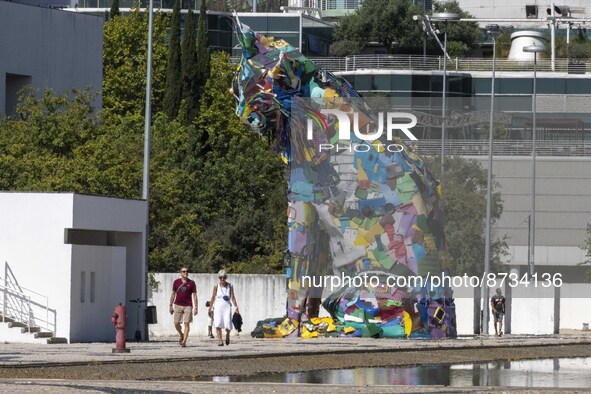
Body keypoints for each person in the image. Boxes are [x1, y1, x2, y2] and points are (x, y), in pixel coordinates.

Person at [209, 270, 239, 346]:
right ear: (219, 277)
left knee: (228, 323)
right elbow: (213, 297)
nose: (222, 279)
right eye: (220, 277)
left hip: (227, 306)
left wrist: (236, 307)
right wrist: (210, 307)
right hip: (218, 306)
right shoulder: (216, 286)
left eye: (224, 277)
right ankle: (220, 340)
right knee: (218, 323)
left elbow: (233, 297)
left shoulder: (230, 285)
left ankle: (228, 335)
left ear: (226, 277)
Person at [169, 266, 198, 347]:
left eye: (187, 271)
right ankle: (181, 334)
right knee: (176, 323)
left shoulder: (192, 283)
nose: (186, 273)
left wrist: (196, 307)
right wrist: (170, 305)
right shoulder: (176, 282)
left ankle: (184, 341)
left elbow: (195, 295)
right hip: (178, 304)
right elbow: (173, 293)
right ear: (181, 273)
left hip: (188, 305)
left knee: (186, 324)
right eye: (184, 271)